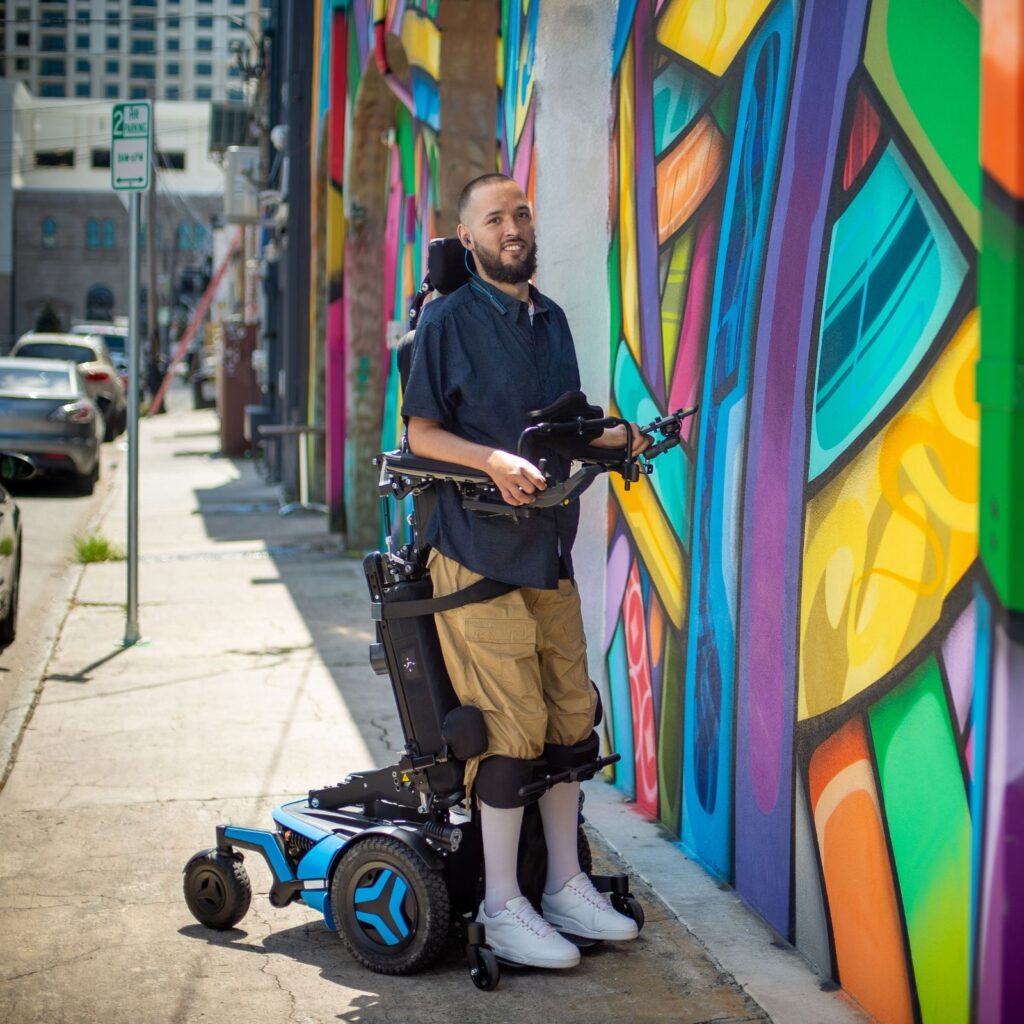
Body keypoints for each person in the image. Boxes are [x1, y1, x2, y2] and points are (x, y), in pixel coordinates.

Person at [401, 173, 649, 969]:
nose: (512, 226)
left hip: (546, 553)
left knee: (572, 721)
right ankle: (503, 904)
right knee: (510, 732)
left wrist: (616, 440)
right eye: (494, 218)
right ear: (467, 238)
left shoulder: (553, 321)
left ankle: (564, 884)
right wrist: (492, 459)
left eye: (521, 213)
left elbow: (562, 428)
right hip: (474, 554)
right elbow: (422, 434)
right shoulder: (447, 321)